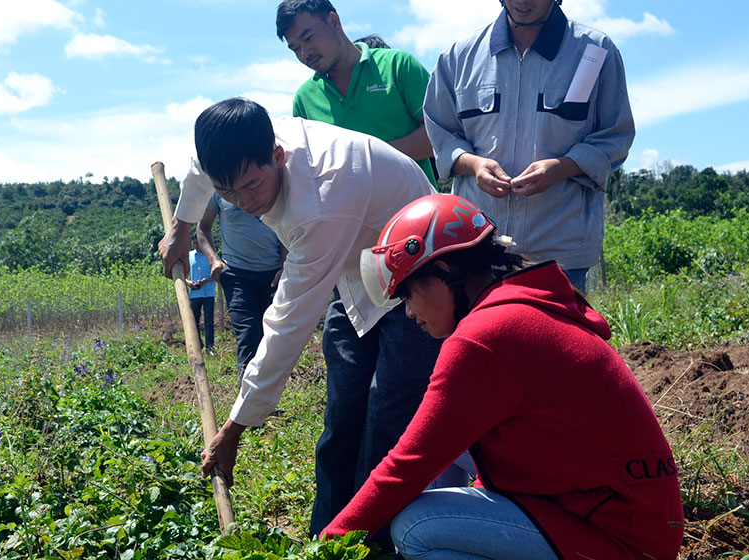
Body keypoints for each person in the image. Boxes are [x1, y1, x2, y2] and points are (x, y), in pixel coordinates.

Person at [322, 193, 684, 560]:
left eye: (409, 292)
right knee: (442, 468)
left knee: (415, 528)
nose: (408, 311)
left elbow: (406, 466)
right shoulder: (520, 307)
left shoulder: (484, 336)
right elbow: (453, 453)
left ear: (449, 273)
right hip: (636, 516)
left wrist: (325, 549)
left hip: (624, 539)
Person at [157, 98, 475, 547]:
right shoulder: (229, 158)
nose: (244, 203)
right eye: (227, 193)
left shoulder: (321, 201)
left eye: (252, 186)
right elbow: (195, 171)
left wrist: (235, 428)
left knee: (386, 414)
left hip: (416, 270)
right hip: (353, 264)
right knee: (342, 415)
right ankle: (323, 542)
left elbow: (288, 323)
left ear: (278, 156)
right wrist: (182, 227)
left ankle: (369, 553)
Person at [423, 0, 635, 292]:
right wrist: (475, 164)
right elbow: (441, 133)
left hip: (558, 252)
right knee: (481, 338)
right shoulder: (459, 57)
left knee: (553, 338)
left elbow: (616, 136)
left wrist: (562, 167)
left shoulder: (595, 51)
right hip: (478, 251)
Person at [277, 0, 437, 185]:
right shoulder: (303, 100)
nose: (305, 53)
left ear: (334, 22)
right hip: (345, 214)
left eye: (309, 38)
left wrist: (368, 159)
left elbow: (441, 133)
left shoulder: (398, 65)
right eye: (295, 48)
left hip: (416, 209)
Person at [195, 193, 286, 380]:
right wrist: (214, 261)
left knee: (272, 336)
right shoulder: (218, 190)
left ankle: (266, 397)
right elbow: (203, 228)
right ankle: (250, 399)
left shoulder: (269, 182)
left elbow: (287, 226)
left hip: (273, 275)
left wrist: (286, 265)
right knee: (248, 334)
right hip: (237, 274)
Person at [186, 247, 216, 354]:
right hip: (195, 294)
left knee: (209, 321)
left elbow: (218, 273)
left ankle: (210, 347)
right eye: (194, 242)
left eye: (198, 242)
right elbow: (183, 274)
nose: (196, 245)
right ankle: (198, 345)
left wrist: (206, 281)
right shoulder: (189, 256)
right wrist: (189, 283)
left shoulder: (211, 254)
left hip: (208, 293)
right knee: (194, 321)